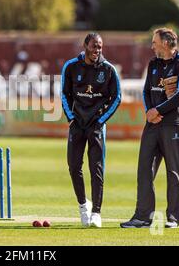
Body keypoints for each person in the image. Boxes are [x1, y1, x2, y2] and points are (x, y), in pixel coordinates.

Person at [120, 28, 179, 229]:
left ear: (166, 43)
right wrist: (149, 112)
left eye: (155, 42)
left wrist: (158, 110)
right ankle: (143, 217)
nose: (151, 45)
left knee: (175, 172)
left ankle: (173, 218)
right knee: (145, 169)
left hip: (174, 124)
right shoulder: (153, 64)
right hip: (152, 124)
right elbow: (145, 92)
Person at [61, 33, 121, 228]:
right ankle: (83, 206)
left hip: (96, 126)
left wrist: (101, 121)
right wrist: (71, 118)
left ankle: (96, 212)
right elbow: (64, 94)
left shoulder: (108, 69)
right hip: (77, 124)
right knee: (73, 166)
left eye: (100, 47)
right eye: (94, 46)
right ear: (85, 45)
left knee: (96, 169)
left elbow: (117, 98)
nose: (97, 50)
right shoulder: (71, 66)